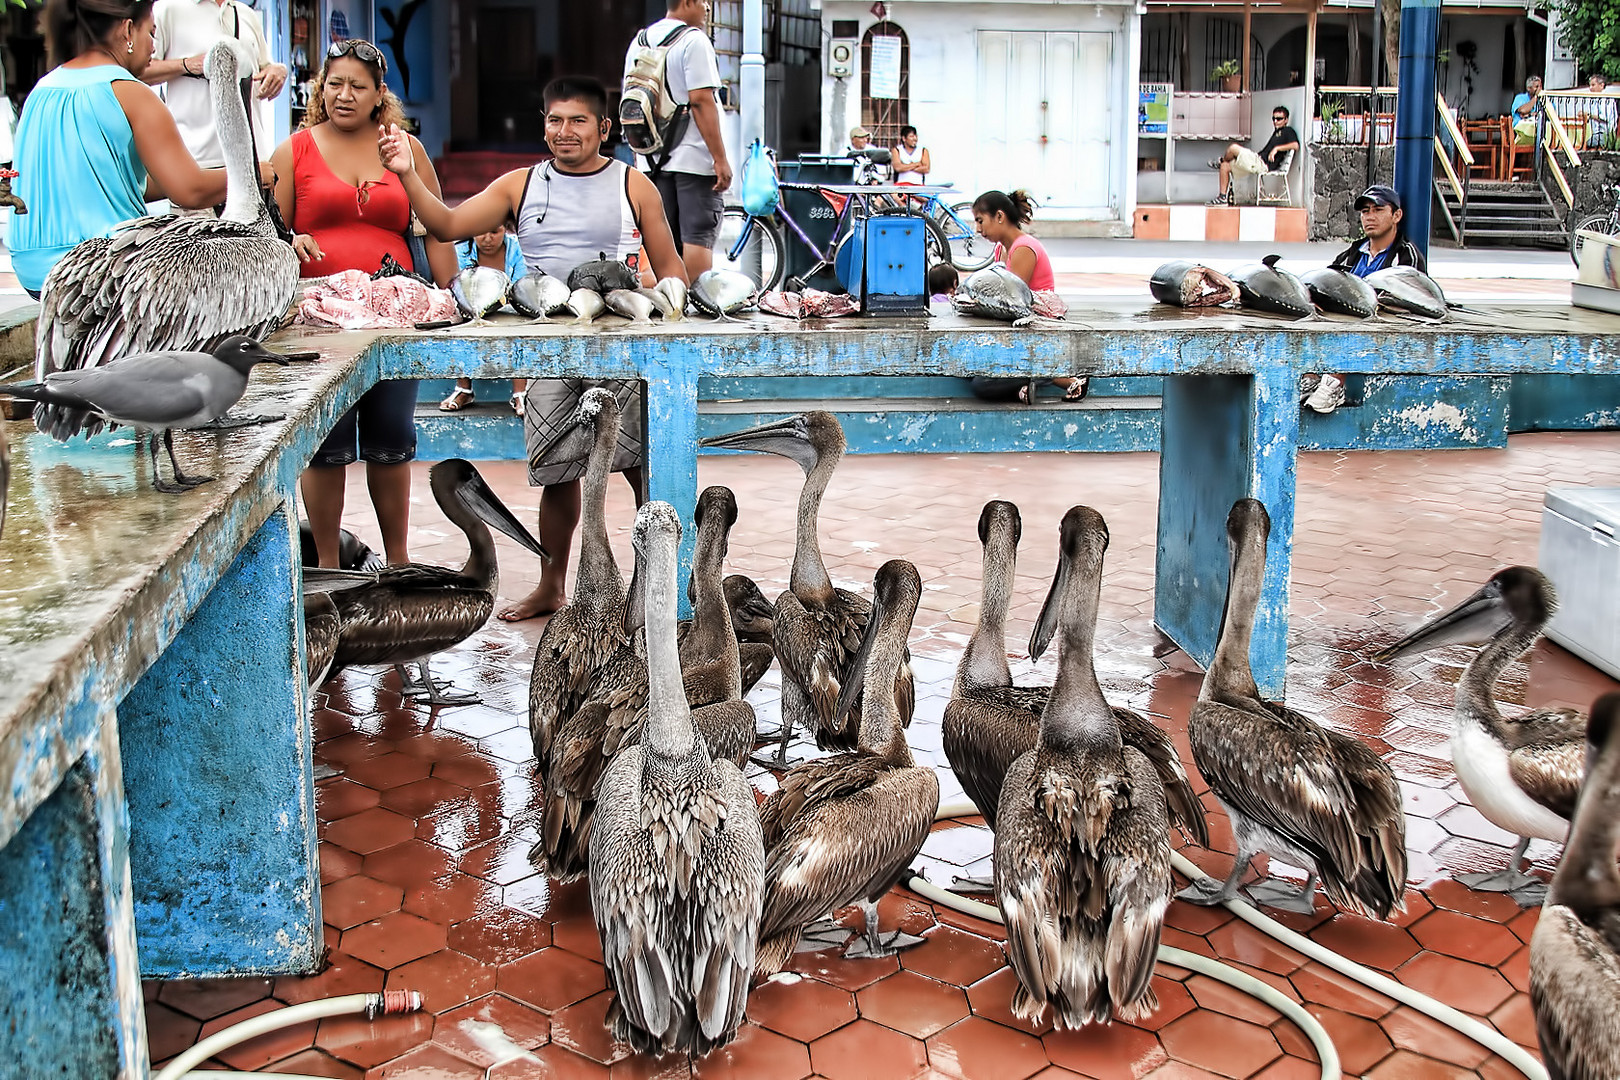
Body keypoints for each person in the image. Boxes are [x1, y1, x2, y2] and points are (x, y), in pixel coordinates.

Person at [379, 75, 689, 621]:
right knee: (558, 473)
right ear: (543, 125)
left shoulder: (632, 185)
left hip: (624, 345)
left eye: (578, 121)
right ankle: (551, 585)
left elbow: (672, 270)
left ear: (604, 128)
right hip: (549, 349)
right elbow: (447, 224)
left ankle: (652, 584)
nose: (564, 132)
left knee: (644, 469)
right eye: (554, 120)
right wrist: (406, 171)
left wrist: (655, 301)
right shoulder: (519, 186)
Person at [270, 38, 455, 569]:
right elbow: (265, 236)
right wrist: (288, 242)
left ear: (379, 95)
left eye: (357, 86)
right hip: (319, 323)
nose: (343, 95)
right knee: (325, 441)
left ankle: (397, 564)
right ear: (319, 89)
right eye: (334, 84)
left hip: (395, 317)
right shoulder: (294, 150)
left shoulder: (404, 149)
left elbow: (436, 225)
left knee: (391, 436)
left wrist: (456, 293)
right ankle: (328, 566)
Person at [8, 0, 272, 298]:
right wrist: (250, 172)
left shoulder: (42, 89)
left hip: (31, 268)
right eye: (152, 33)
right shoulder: (131, 92)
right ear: (128, 29)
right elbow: (191, 192)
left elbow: (121, 183)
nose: (152, 46)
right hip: (101, 269)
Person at [626, 0, 730, 277]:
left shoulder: (639, 41)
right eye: (704, 1)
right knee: (697, 235)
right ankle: (694, 309)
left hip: (651, 160)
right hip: (693, 160)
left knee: (663, 241)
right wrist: (720, 159)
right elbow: (701, 101)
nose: (707, 8)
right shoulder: (694, 41)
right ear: (687, 1)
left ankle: (669, 307)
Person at [1302, 184, 1428, 414]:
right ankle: (1310, 377)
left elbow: (1411, 303)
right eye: (1365, 211)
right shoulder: (1350, 254)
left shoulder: (1406, 256)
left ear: (1396, 215)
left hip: (1381, 330)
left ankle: (1334, 384)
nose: (1370, 217)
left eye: (1378, 210)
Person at [967, 189, 1085, 404]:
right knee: (966, 366)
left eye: (980, 220)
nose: (978, 229)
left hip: (1035, 331)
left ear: (1000, 217)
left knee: (981, 383)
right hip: (1018, 328)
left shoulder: (1024, 248)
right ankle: (1022, 389)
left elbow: (1013, 302)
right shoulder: (1001, 248)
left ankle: (1062, 378)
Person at [144, 0, 287, 170]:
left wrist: (278, 71)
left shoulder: (246, 14)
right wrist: (187, 64)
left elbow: (264, 66)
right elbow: (141, 70)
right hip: (196, 161)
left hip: (251, 160)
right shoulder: (167, 9)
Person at [441, 219, 529, 415]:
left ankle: (520, 393)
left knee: (520, 323)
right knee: (460, 319)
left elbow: (521, 287)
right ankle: (464, 389)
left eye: (494, 232)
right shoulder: (460, 251)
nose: (488, 239)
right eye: (481, 232)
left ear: (505, 230)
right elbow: (456, 288)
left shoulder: (518, 250)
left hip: (510, 307)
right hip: (470, 310)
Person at [1208, 106, 1299, 205]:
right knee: (1224, 167)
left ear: (1286, 120)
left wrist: (1276, 149)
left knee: (1233, 148)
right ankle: (1222, 197)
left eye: (1279, 119)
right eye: (1273, 119)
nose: (1275, 121)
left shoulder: (1288, 131)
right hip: (1257, 160)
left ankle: (1221, 160)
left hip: (1262, 164)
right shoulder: (1277, 132)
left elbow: (1295, 145)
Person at [1578, 72, 1614, 149]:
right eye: (1590, 85)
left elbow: (1604, 117)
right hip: (1597, 134)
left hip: (1605, 135)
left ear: (1601, 85)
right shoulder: (1596, 99)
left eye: (1593, 85)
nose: (1590, 88)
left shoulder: (1606, 99)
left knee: (1584, 145)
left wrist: (1589, 115)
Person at [1512, 75, 1543, 145]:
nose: (1540, 89)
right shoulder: (1520, 98)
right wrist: (1535, 97)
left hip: (1538, 131)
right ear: (1529, 88)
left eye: (1540, 86)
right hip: (1520, 132)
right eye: (1537, 87)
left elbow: (1552, 110)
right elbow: (1523, 110)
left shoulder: (1543, 99)